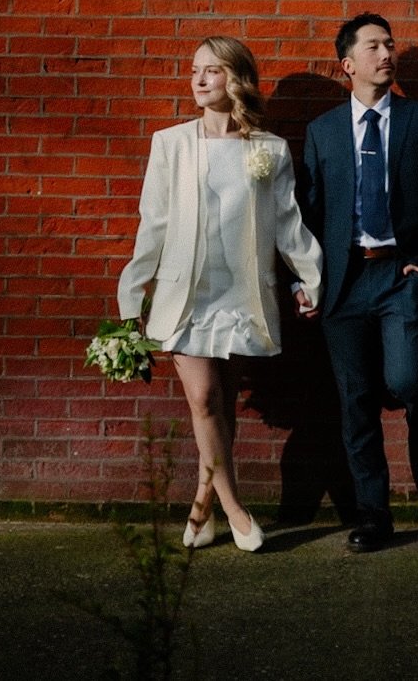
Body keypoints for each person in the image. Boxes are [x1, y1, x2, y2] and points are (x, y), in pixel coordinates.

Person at [117, 34, 323, 553]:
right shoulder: (170, 143)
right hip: (186, 297)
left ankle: (201, 507)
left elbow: (288, 225)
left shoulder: (269, 150)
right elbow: (153, 225)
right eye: (194, 70)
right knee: (205, 399)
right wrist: (131, 296)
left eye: (211, 70)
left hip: (242, 297)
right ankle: (236, 511)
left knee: (223, 407)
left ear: (237, 78)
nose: (199, 79)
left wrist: (311, 279)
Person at [299, 12, 418, 551]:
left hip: (402, 275)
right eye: (373, 46)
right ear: (348, 64)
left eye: (390, 44)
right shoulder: (322, 131)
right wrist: (304, 281)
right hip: (344, 281)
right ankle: (374, 517)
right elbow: (306, 214)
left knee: (407, 381)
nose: (386, 53)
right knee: (356, 403)